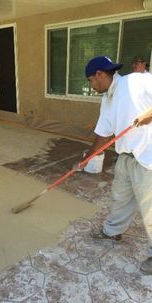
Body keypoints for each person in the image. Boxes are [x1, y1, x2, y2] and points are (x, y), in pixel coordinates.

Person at [79, 56, 152, 274]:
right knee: (120, 198)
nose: (91, 87)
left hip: (147, 157)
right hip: (126, 157)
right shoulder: (108, 99)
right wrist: (86, 158)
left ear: (100, 74)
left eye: (91, 81)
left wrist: (149, 114)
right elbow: (103, 134)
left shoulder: (136, 81)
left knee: (150, 210)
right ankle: (113, 231)